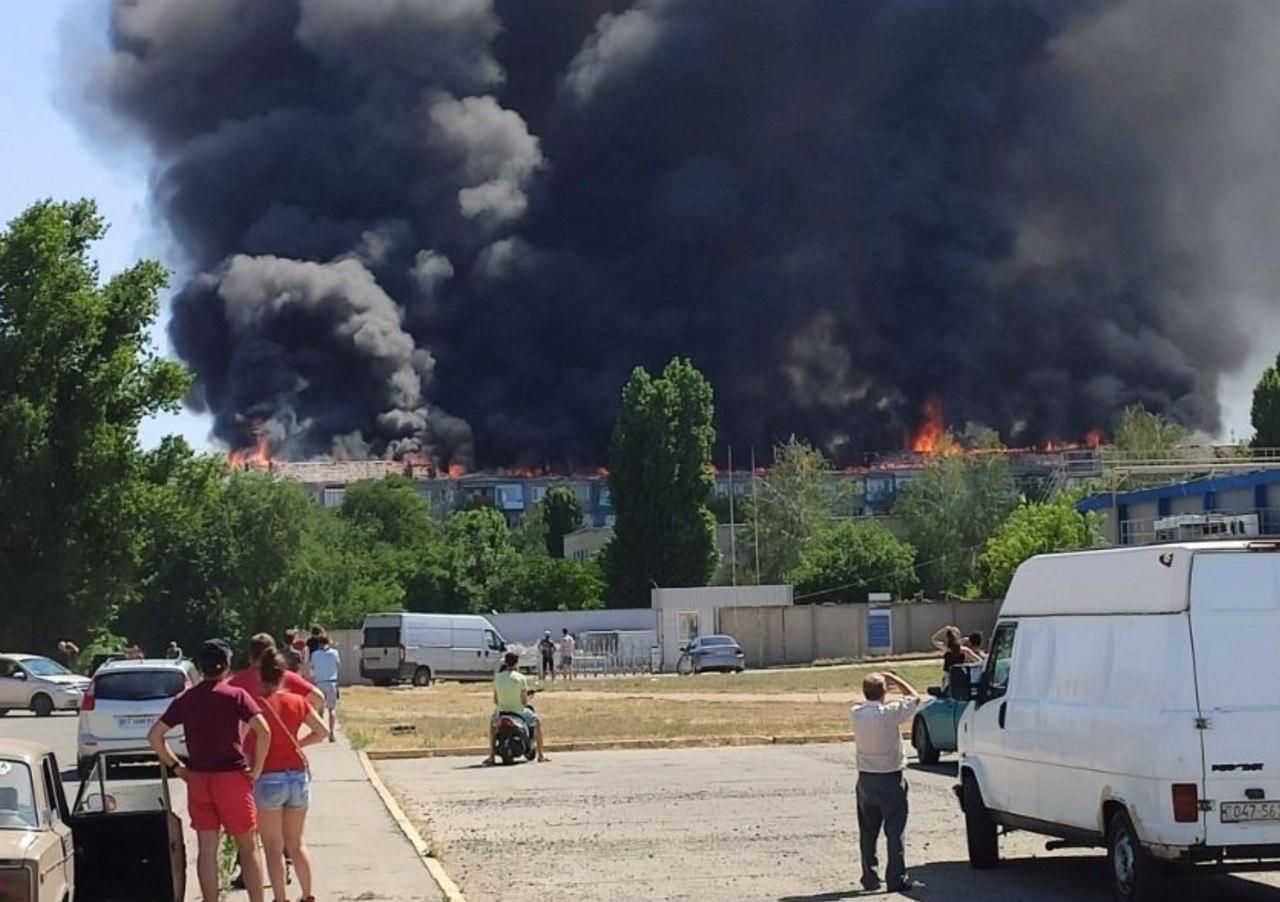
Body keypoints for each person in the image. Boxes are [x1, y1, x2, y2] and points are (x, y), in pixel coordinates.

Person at [148, 639, 271, 902]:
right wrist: (257, 768)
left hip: (199, 779)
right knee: (249, 848)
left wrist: (177, 767)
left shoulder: (187, 699)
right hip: (232, 779)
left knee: (207, 849)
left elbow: (155, 735)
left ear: (200, 668)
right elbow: (264, 731)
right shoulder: (236, 695)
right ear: (227, 665)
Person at [252, 648, 329, 902]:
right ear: (283, 675)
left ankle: (280, 898)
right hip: (297, 775)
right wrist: (298, 743)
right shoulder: (297, 701)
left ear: (260, 677)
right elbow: (322, 731)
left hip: (268, 777)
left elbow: (242, 740)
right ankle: (308, 894)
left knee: (273, 846)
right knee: (296, 843)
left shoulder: (256, 705)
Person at [851, 671, 920, 893]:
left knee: (868, 832)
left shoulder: (857, 713)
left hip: (866, 779)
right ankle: (896, 878)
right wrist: (896, 678)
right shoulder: (889, 714)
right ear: (884, 691)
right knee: (894, 831)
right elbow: (914, 697)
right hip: (890, 777)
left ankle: (869, 877)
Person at [229, 633, 325, 714]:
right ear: (274, 654)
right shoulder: (286, 677)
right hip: (284, 735)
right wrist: (301, 717)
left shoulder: (234, 682)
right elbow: (318, 697)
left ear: (250, 655)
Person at [484, 652, 549, 765]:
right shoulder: (521, 678)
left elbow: (496, 700)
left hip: (501, 712)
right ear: (516, 663)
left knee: (492, 725)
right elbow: (524, 701)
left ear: (505, 662)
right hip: (518, 712)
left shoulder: (498, 678)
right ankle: (541, 755)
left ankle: (491, 755)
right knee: (537, 721)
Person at [308, 635, 341, 743]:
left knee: (320, 709)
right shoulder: (334, 653)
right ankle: (331, 733)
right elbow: (338, 665)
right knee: (332, 709)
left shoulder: (315, 654)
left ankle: (320, 733)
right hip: (331, 682)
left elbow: (312, 667)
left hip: (319, 682)